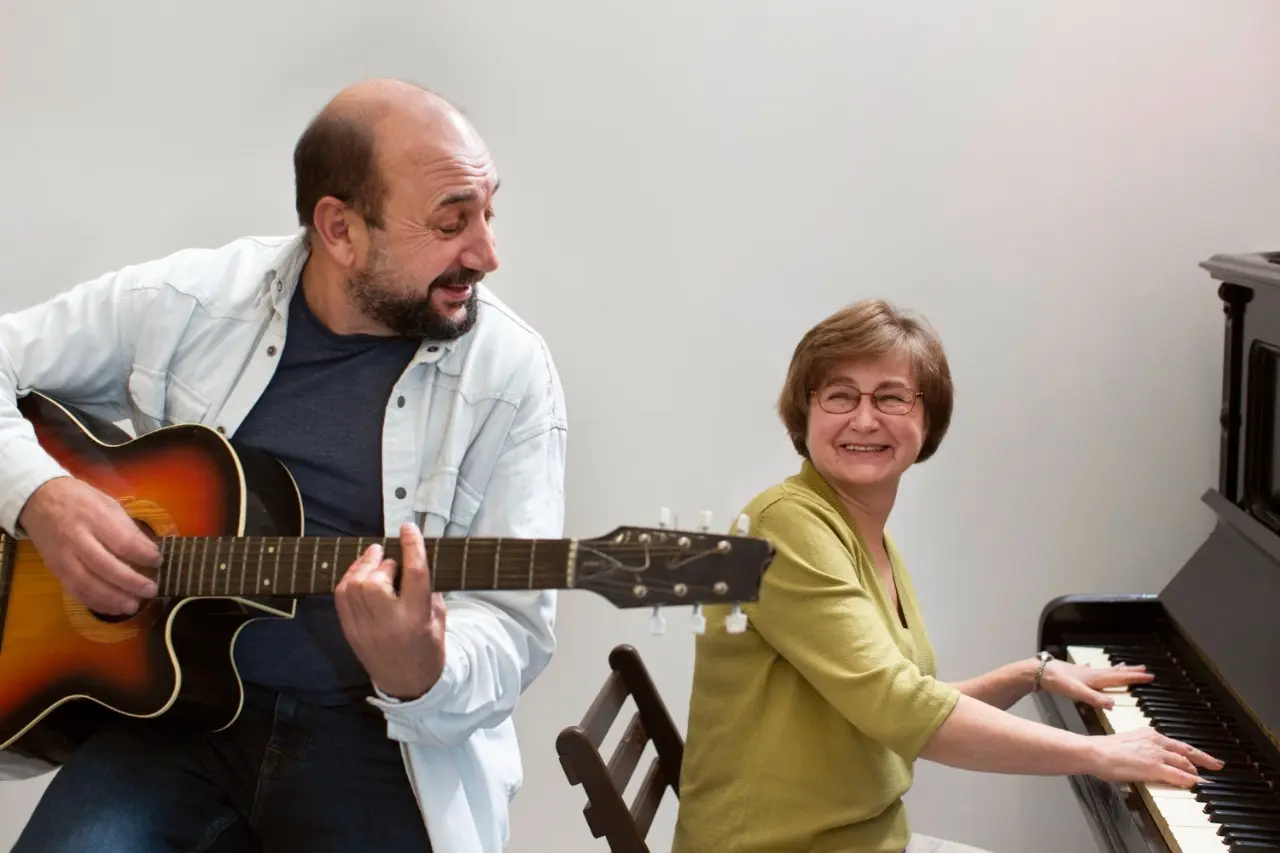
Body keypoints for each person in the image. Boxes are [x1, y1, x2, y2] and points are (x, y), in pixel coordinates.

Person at [0, 79, 566, 853]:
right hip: (169, 724)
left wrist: (422, 669)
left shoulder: (511, 375)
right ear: (339, 229)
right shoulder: (195, 302)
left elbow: (514, 625)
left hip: (379, 745)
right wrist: (43, 496)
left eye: (488, 211)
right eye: (451, 221)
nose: (487, 253)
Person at [671, 299, 1220, 853]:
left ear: (926, 418)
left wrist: (1031, 674)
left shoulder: (858, 530)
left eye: (891, 397)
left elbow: (890, 702)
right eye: (839, 396)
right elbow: (902, 707)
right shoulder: (783, 527)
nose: (865, 419)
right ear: (803, 413)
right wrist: (1101, 755)